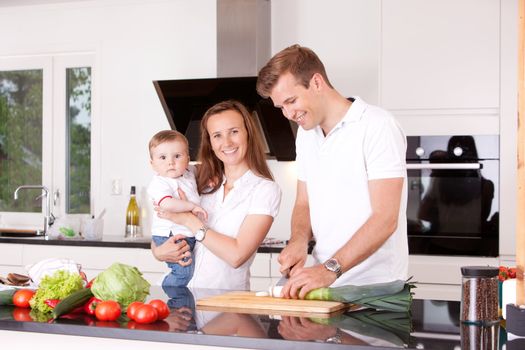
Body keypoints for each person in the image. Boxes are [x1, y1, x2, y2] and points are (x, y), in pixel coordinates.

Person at [256, 44, 408, 299]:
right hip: (323, 285)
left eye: (291, 101)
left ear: (316, 82)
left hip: (375, 290)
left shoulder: (377, 126)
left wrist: (330, 269)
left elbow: (385, 219)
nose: (289, 114)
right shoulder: (306, 136)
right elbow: (304, 202)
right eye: (281, 107)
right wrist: (298, 241)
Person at [151, 100, 282, 290]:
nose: (227, 142)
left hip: (224, 305)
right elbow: (161, 229)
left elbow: (236, 256)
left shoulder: (265, 189)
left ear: (249, 134)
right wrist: (159, 252)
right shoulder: (197, 177)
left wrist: (190, 221)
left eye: (234, 132)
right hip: (178, 296)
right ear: (210, 143)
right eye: (217, 135)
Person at [147, 130, 207, 287]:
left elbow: (201, 168)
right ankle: (168, 295)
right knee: (183, 273)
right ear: (152, 164)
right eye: (163, 157)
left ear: (187, 160)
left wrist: (211, 174)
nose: (170, 162)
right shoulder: (160, 183)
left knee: (189, 272)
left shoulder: (188, 173)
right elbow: (167, 204)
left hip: (187, 233)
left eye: (177, 156)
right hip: (170, 235)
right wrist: (192, 206)